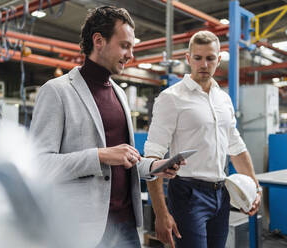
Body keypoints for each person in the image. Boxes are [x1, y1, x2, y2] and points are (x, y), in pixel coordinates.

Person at [30, 6, 182, 248]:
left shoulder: (119, 93)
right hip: (82, 230)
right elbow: (39, 165)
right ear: (98, 41)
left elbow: (124, 159)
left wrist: (154, 166)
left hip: (126, 225)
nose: (130, 55)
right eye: (124, 46)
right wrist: (100, 155)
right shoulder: (57, 91)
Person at [144, 31, 262, 248]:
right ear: (188, 59)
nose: (204, 64)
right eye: (197, 58)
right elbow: (153, 156)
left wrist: (255, 188)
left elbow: (236, 147)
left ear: (219, 59)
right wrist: (160, 213)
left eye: (210, 58)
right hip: (188, 195)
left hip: (221, 193)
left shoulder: (223, 99)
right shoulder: (171, 98)